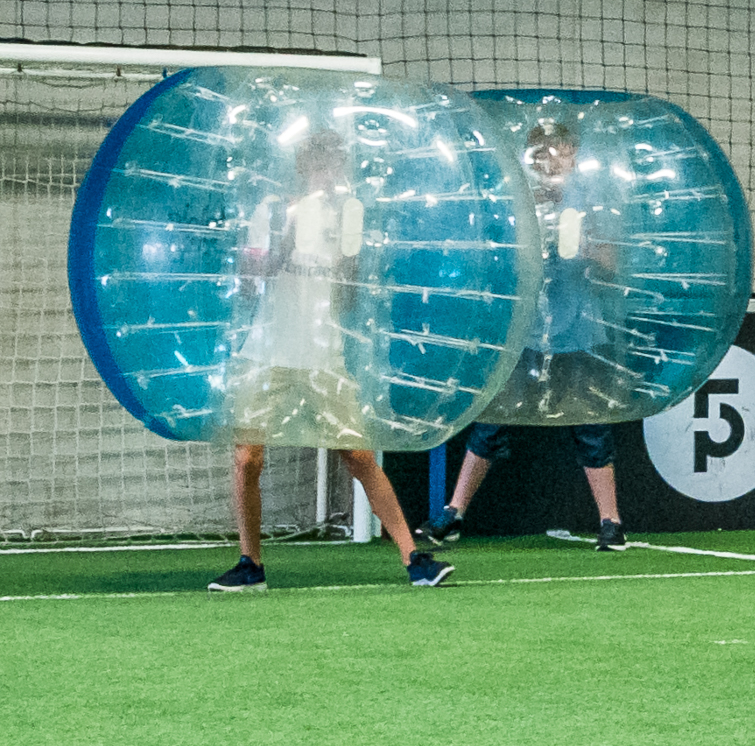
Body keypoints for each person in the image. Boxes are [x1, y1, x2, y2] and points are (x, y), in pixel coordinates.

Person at [209, 129, 450, 590]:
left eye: (335, 164)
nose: (328, 172)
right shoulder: (273, 208)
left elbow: (348, 297)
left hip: (323, 350)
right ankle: (250, 564)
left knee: (358, 453)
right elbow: (245, 283)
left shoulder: (349, 213)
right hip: (266, 350)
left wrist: (345, 256)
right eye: (320, 163)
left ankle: (414, 556)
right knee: (247, 458)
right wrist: (280, 246)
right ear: (303, 165)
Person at [428, 114, 630, 551]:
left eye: (558, 151)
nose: (550, 160)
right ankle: (453, 514)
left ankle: (611, 522)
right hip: (527, 328)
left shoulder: (590, 203)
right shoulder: (518, 202)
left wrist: (582, 246)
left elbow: (612, 266)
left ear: (574, 156)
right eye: (541, 153)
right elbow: (499, 263)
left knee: (590, 423)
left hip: (577, 326)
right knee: (492, 418)